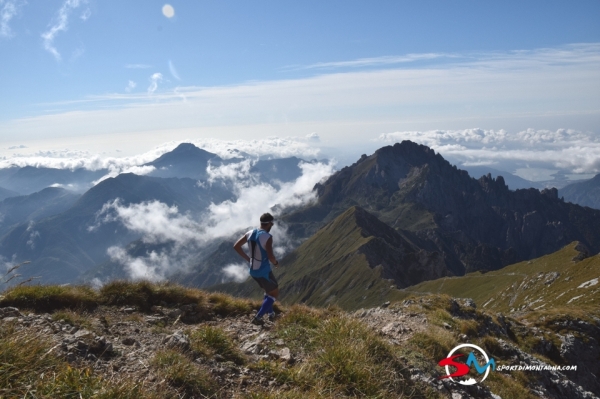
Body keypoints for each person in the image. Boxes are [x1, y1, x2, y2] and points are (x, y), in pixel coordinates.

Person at [233, 212, 280, 325]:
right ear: (269, 223)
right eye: (271, 224)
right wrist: (276, 263)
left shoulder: (250, 232)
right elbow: (270, 256)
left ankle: (271, 314)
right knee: (274, 293)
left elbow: (236, 246)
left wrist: (248, 259)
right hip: (263, 270)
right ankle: (258, 317)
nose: (272, 226)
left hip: (253, 270)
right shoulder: (267, 237)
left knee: (267, 291)